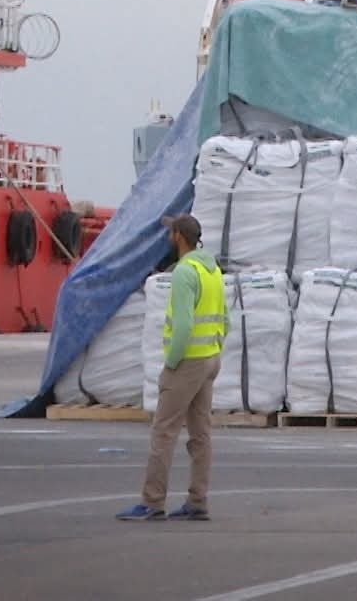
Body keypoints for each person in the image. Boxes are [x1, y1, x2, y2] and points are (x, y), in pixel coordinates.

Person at [117, 214, 225, 522]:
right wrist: (214, 349)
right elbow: (225, 319)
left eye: (170, 232)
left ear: (178, 236)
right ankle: (197, 500)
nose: (167, 237)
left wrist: (172, 362)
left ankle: (152, 501)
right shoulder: (212, 270)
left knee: (163, 431)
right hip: (210, 358)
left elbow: (184, 325)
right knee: (200, 434)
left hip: (187, 362)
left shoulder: (184, 273)